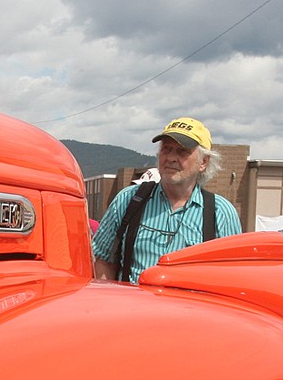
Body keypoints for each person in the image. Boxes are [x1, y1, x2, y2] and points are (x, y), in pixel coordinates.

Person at [92, 117, 242, 283]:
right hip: (132, 307)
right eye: (166, 149)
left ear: (203, 162)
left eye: (182, 151)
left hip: (189, 308)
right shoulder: (129, 199)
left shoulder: (220, 213)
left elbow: (230, 278)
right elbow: (103, 261)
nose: (171, 157)